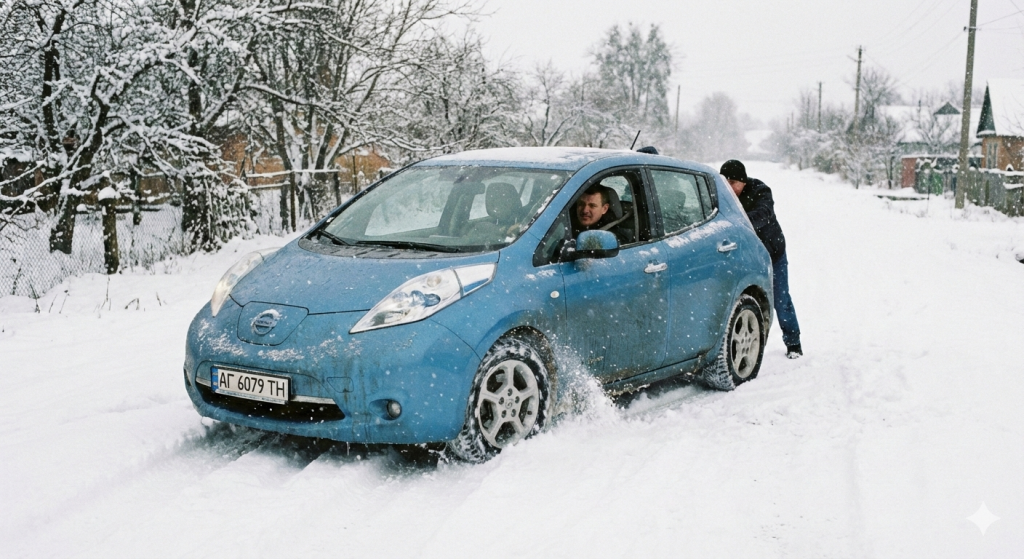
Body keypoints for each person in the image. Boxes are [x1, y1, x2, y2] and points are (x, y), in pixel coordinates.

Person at [720, 160, 803, 359]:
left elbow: (763, 214)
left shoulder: (760, 190)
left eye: (733, 182)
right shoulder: (722, 194)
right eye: (725, 182)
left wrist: (736, 223)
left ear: (743, 181)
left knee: (781, 299)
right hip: (747, 257)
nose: (729, 187)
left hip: (773, 254)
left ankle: (793, 343)